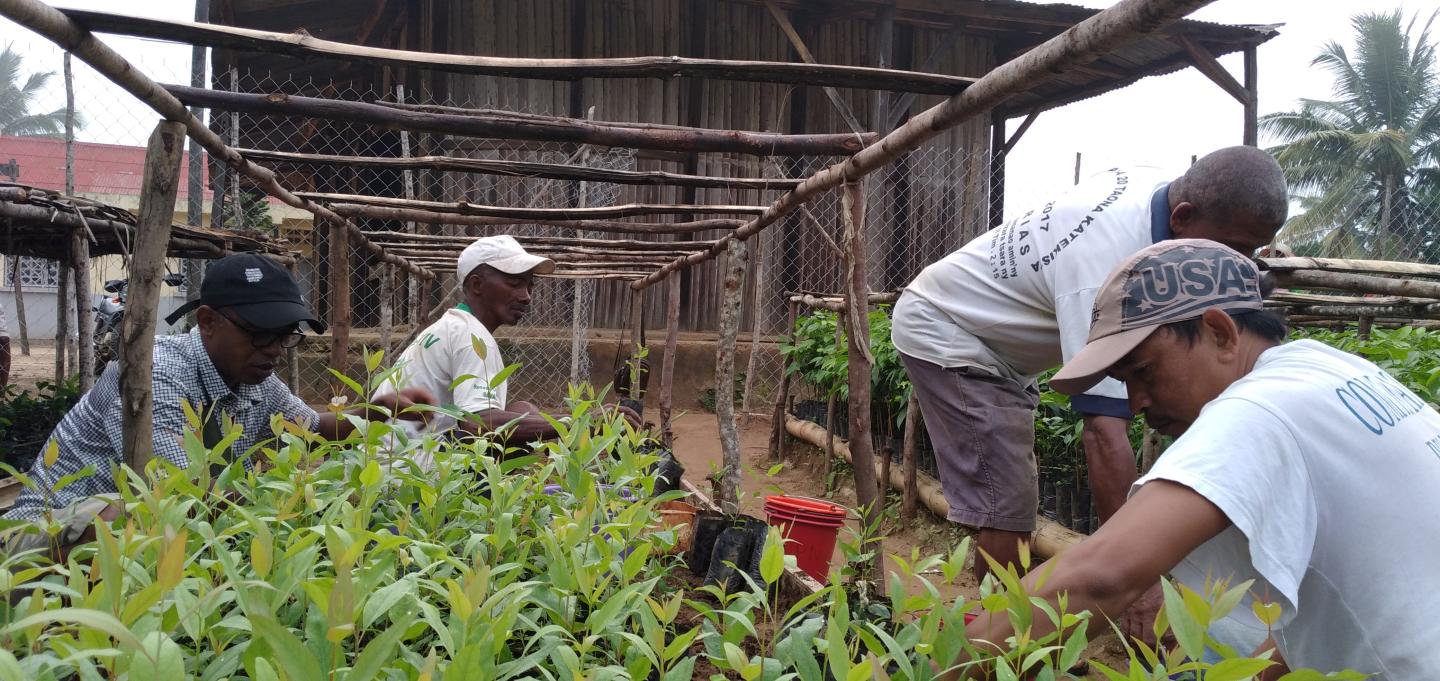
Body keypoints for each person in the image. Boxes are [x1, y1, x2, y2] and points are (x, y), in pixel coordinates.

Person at [959, 239, 1440, 679]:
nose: (1135, 403)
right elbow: (1313, 611)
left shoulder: (1257, 409)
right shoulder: (1328, 368)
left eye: (1144, 371)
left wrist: (934, 667)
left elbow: (1100, 576)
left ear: (1219, 332)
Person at [891, 146, 1288, 580]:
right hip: (950, 329)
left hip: (1001, 342)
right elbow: (1103, 430)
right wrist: (1138, 578)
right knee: (1006, 499)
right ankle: (995, 634)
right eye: (1233, 247)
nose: (1243, 263)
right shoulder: (1105, 264)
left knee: (1011, 489)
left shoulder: (1159, 198)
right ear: (1183, 217)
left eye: (1253, 250)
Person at [1, 253, 433, 555]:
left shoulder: (252, 375)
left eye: (286, 335)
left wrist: (378, 412)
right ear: (208, 322)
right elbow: (181, 495)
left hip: (145, 540)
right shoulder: (153, 374)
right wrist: (301, 498)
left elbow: (310, 428)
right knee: (133, 513)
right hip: (40, 541)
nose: (277, 349)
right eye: (262, 333)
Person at [374, 235, 638, 458]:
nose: (526, 296)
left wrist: (567, 418)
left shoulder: (450, 326)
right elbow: (478, 425)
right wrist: (579, 423)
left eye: (529, 285)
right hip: (409, 474)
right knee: (517, 429)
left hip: (389, 461)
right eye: (514, 284)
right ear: (477, 284)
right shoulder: (471, 337)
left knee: (523, 410)